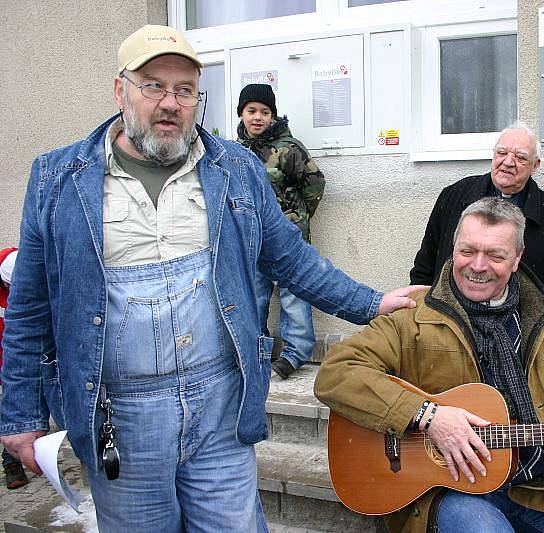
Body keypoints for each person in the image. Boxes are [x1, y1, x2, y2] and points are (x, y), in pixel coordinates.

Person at [0, 24, 421, 531]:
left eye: (184, 90)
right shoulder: (57, 178)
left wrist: (372, 303)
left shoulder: (236, 170)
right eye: (152, 85)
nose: (170, 103)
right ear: (120, 90)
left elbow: (289, 257)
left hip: (220, 407)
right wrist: (19, 418)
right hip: (120, 418)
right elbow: (28, 306)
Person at [317, 197, 544, 533]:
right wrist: (428, 415)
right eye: (467, 251)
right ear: (453, 249)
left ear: (518, 258)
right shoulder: (413, 316)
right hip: (452, 490)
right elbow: (337, 373)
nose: (477, 266)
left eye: (495, 255)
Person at [409, 120, 544, 294]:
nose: (508, 162)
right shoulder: (454, 195)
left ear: (535, 166)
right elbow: (426, 259)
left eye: (520, 157)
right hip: (451, 310)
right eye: (502, 152)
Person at [236, 83, 325, 379]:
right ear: (242, 114)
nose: (257, 117)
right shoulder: (236, 152)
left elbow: (315, 184)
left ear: (273, 116)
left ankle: (296, 353)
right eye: (251, 111)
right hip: (251, 238)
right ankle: (257, 351)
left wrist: (296, 216)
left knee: (293, 295)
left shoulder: (289, 148)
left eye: (265, 112)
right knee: (255, 294)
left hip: (287, 238)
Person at [1, 247, 29, 490]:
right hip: (4, 363)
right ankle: (11, 462)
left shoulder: (28, 267)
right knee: (10, 412)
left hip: (31, 361)